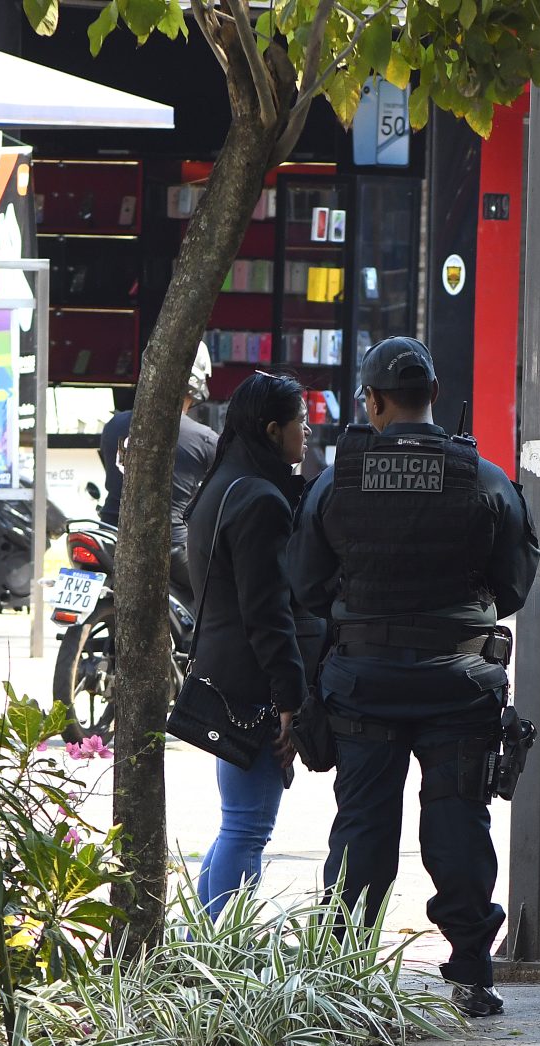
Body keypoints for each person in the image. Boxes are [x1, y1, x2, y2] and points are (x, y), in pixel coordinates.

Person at [283, 337, 540, 1018]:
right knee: (458, 821)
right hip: (459, 682)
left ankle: (342, 971)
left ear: (372, 401)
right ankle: (471, 969)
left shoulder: (338, 482)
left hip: (364, 681)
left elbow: (307, 584)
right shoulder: (481, 476)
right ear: (432, 393)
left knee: (363, 823)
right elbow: (515, 582)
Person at [183, 371, 320, 917]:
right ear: (271, 430)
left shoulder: (222, 484)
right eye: (299, 424)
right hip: (253, 684)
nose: (306, 433)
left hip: (221, 672)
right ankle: (216, 955)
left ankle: (196, 946)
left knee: (236, 819)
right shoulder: (262, 499)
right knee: (248, 825)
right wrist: (290, 699)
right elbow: (268, 615)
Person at [99, 340, 217, 597]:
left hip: (107, 533)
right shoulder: (204, 440)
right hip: (169, 547)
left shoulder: (114, 425)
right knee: (222, 586)